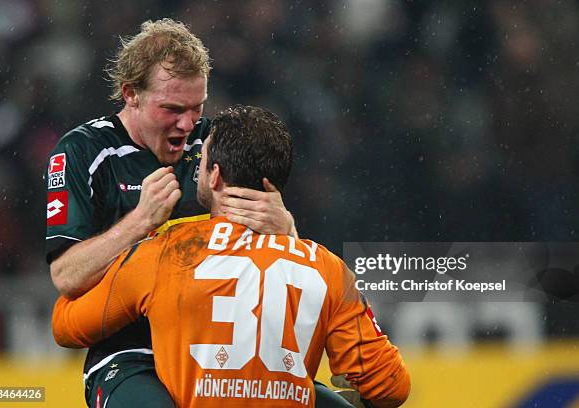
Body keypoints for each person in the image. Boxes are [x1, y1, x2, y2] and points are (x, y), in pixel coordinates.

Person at [52, 105, 411, 407]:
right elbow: (391, 387)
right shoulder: (327, 268)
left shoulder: (166, 253)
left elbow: (67, 326)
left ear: (215, 176)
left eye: (201, 159)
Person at [46, 19, 296, 408]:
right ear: (131, 94)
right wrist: (141, 221)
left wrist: (288, 231)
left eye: (197, 108)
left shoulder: (216, 142)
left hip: (221, 349)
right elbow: (66, 276)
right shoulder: (83, 151)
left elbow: (275, 256)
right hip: (134, 355)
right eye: (173, 109)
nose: (187, 124)